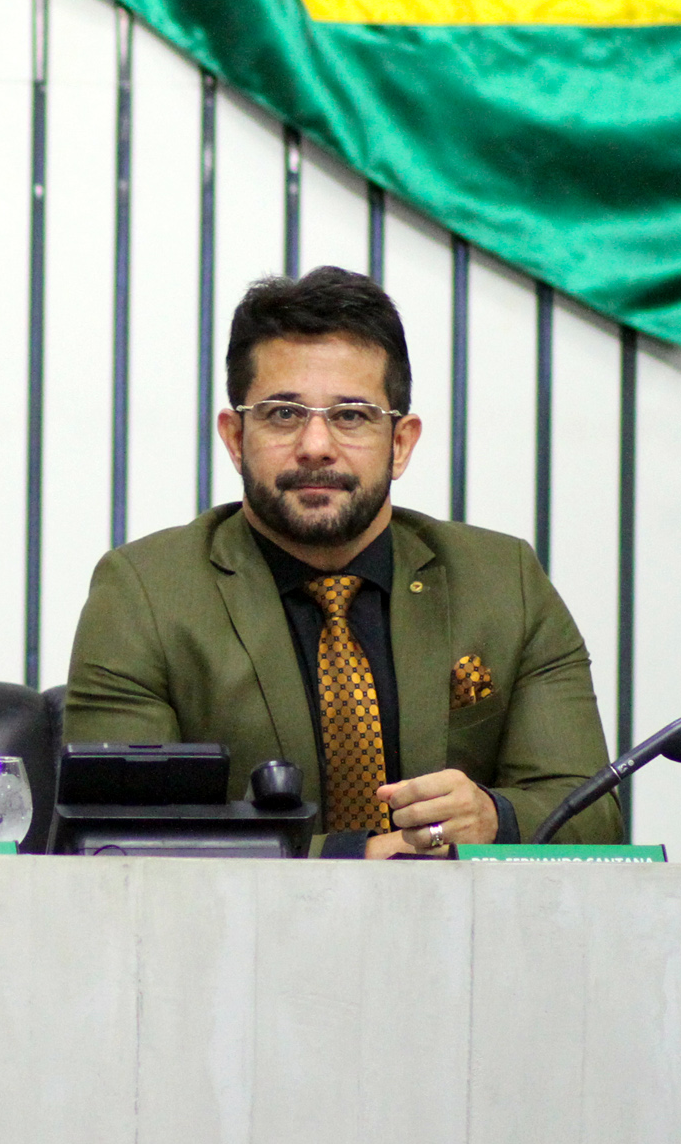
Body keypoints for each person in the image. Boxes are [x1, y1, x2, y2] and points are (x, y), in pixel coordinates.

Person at [64, 267, 621, 855]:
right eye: (283, 413)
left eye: (351, 415)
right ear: (234, 438)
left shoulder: (504, 582)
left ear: (401, 443)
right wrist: (348, 858)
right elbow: (117, 840)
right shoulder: (145, 593)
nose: (315, 446)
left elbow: (593, 817)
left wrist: (494, 818)